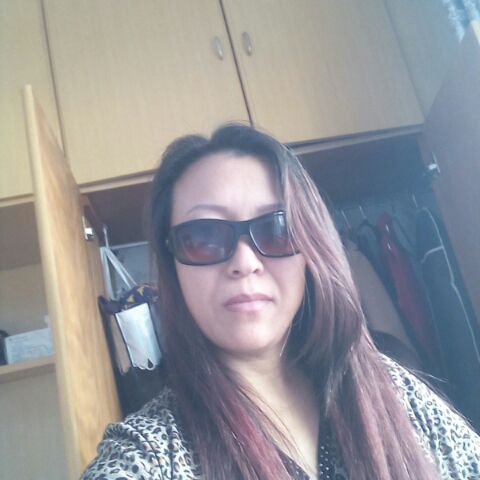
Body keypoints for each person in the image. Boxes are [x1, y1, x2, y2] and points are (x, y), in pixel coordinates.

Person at [81, 124, 480, 479]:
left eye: (277, 228)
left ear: (312, 248)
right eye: (203, 237)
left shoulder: (393, 390)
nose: (245, 263)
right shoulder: (150, 453)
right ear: (173, 267)